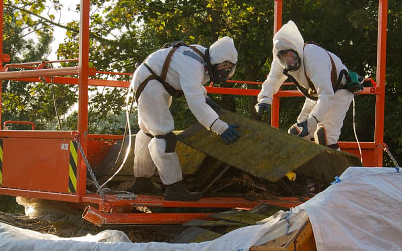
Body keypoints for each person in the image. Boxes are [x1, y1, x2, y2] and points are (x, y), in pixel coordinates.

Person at [129, 36, 240, 201]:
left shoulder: (201, 56)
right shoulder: (194, 65)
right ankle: (174, 188)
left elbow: (194, 86)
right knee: (163, 135)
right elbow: (194, 102)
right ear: (216, 60)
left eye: (229, 68)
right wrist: (219, 127)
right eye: (224, 67)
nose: (225, 72)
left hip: (151, 81)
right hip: (150, 83)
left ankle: (142, 180)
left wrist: (207, 101)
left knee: (147, 132)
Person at [255, 20, 355, 149]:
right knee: (299, 133)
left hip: (338, 90)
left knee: (326, 136)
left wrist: (313, 121)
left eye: (290, 56)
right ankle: (303, 168)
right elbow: (273, 80)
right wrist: (264, 99)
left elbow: (327, 93)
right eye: (284, 58)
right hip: (315, 94)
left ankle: (339, 169)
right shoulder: (280, 61)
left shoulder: (314, 57)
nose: (288, 61)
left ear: (296, 50)